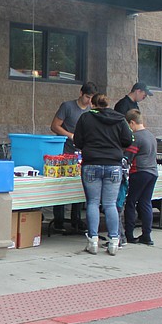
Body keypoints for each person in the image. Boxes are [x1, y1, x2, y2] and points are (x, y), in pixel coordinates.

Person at [73, 93, 133, 256]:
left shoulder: (86, 118)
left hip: (91, 163)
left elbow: (77, 141)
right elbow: (129, 140)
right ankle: (114, 241)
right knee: (110, 204)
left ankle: (93, 241)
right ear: (108, 104)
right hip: (113, 165)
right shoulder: (120, 119)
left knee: (92, 202)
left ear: (92, 105)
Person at [49, 81, 95, 233]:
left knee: (79, 183)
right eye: (87, 97)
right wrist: (70, 136)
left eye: (92, 98)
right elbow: (55, 126)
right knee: (62, 184)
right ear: (81, 93)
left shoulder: (91, 111)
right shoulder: (67, 106)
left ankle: (76, 218)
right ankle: (59, 219)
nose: (89, 101)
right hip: (65, 150)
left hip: (82, 152)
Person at [122, 109, 158, 245]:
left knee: (131, 202)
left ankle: (129, 234)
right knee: (146, 202)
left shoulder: (136, 137)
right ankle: (147, 235)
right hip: (153, 172)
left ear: (132, 123)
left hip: (139, 172)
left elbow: (127, 157)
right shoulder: (151, 136)